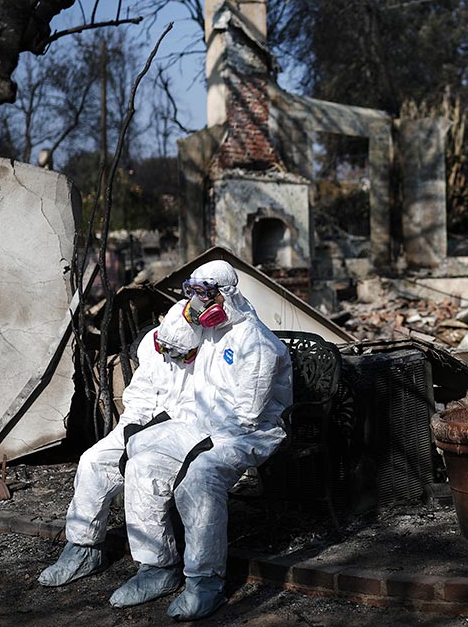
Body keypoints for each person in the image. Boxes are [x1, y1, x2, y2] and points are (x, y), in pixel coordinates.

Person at [110, 259, 293, 621]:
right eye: (190, 293)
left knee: (199, 478)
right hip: (204, 423)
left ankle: (205, 581)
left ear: (225, 295)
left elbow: (247, 415)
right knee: (143, 463)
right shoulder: (209, 333)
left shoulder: (256, 343)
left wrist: (192, 448)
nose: (196, 302)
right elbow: (169, 346)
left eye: (204, 294)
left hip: (249, 431)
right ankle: (156, 567)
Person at [38, 303, 203, 587]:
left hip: (182, 430)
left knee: (143, 471)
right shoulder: (153, 348)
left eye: (178, 352)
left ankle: (158, 566)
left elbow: (196, 410)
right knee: (93, 462)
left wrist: (150, 435)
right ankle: (83, 549)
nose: (170, 355)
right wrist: (132, 430)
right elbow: (139, 397)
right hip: (141, 425)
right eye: (166, 347)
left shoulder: (207, 357)